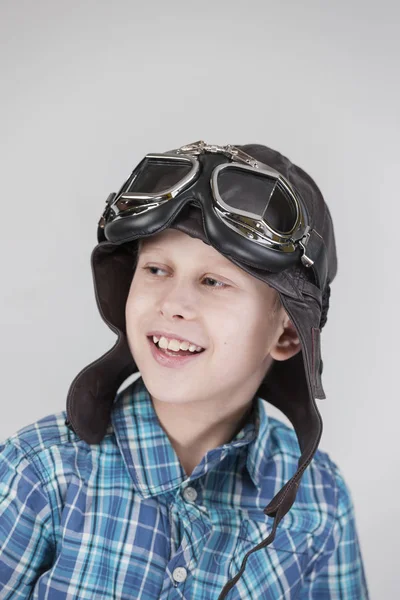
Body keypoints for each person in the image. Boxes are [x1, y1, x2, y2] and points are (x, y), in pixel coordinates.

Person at [0, 141, 369, 599]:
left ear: (288, 334)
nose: (173, 304)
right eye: (156, 269)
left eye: (213, 281)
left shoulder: (320, 504)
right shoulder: (40, 473)